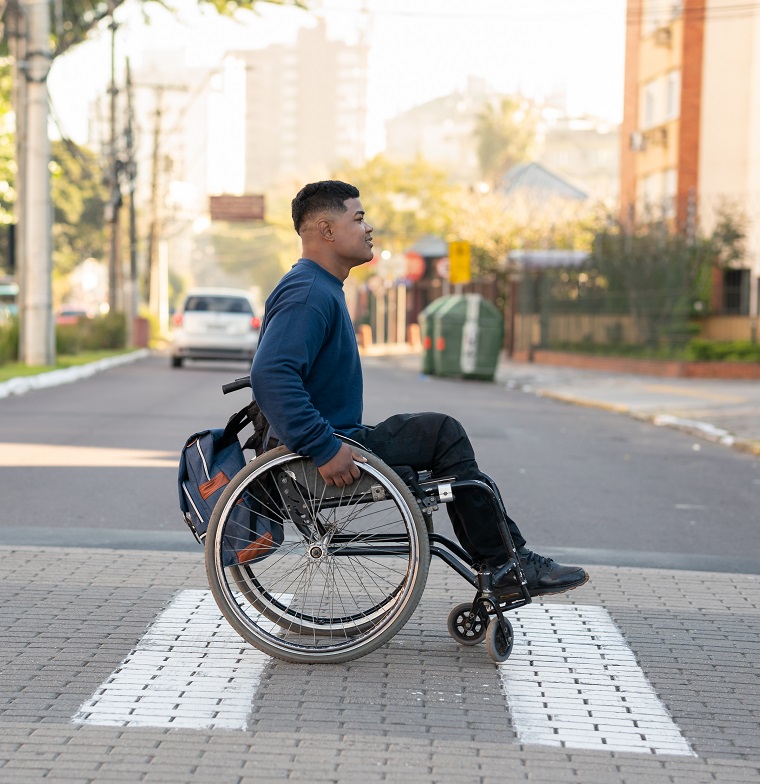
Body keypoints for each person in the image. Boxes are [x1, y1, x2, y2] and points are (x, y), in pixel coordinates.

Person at [250, 180, 588, 597]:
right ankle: (505, 565)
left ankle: (504, 562)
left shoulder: (318, 286)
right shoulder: (308, 292)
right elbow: (271, 374)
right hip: (325, 449)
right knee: (442, 433)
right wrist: (322, 447)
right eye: (358, 218)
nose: (369, 228)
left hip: (334, 437)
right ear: (326, 230)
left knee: (459, 466)